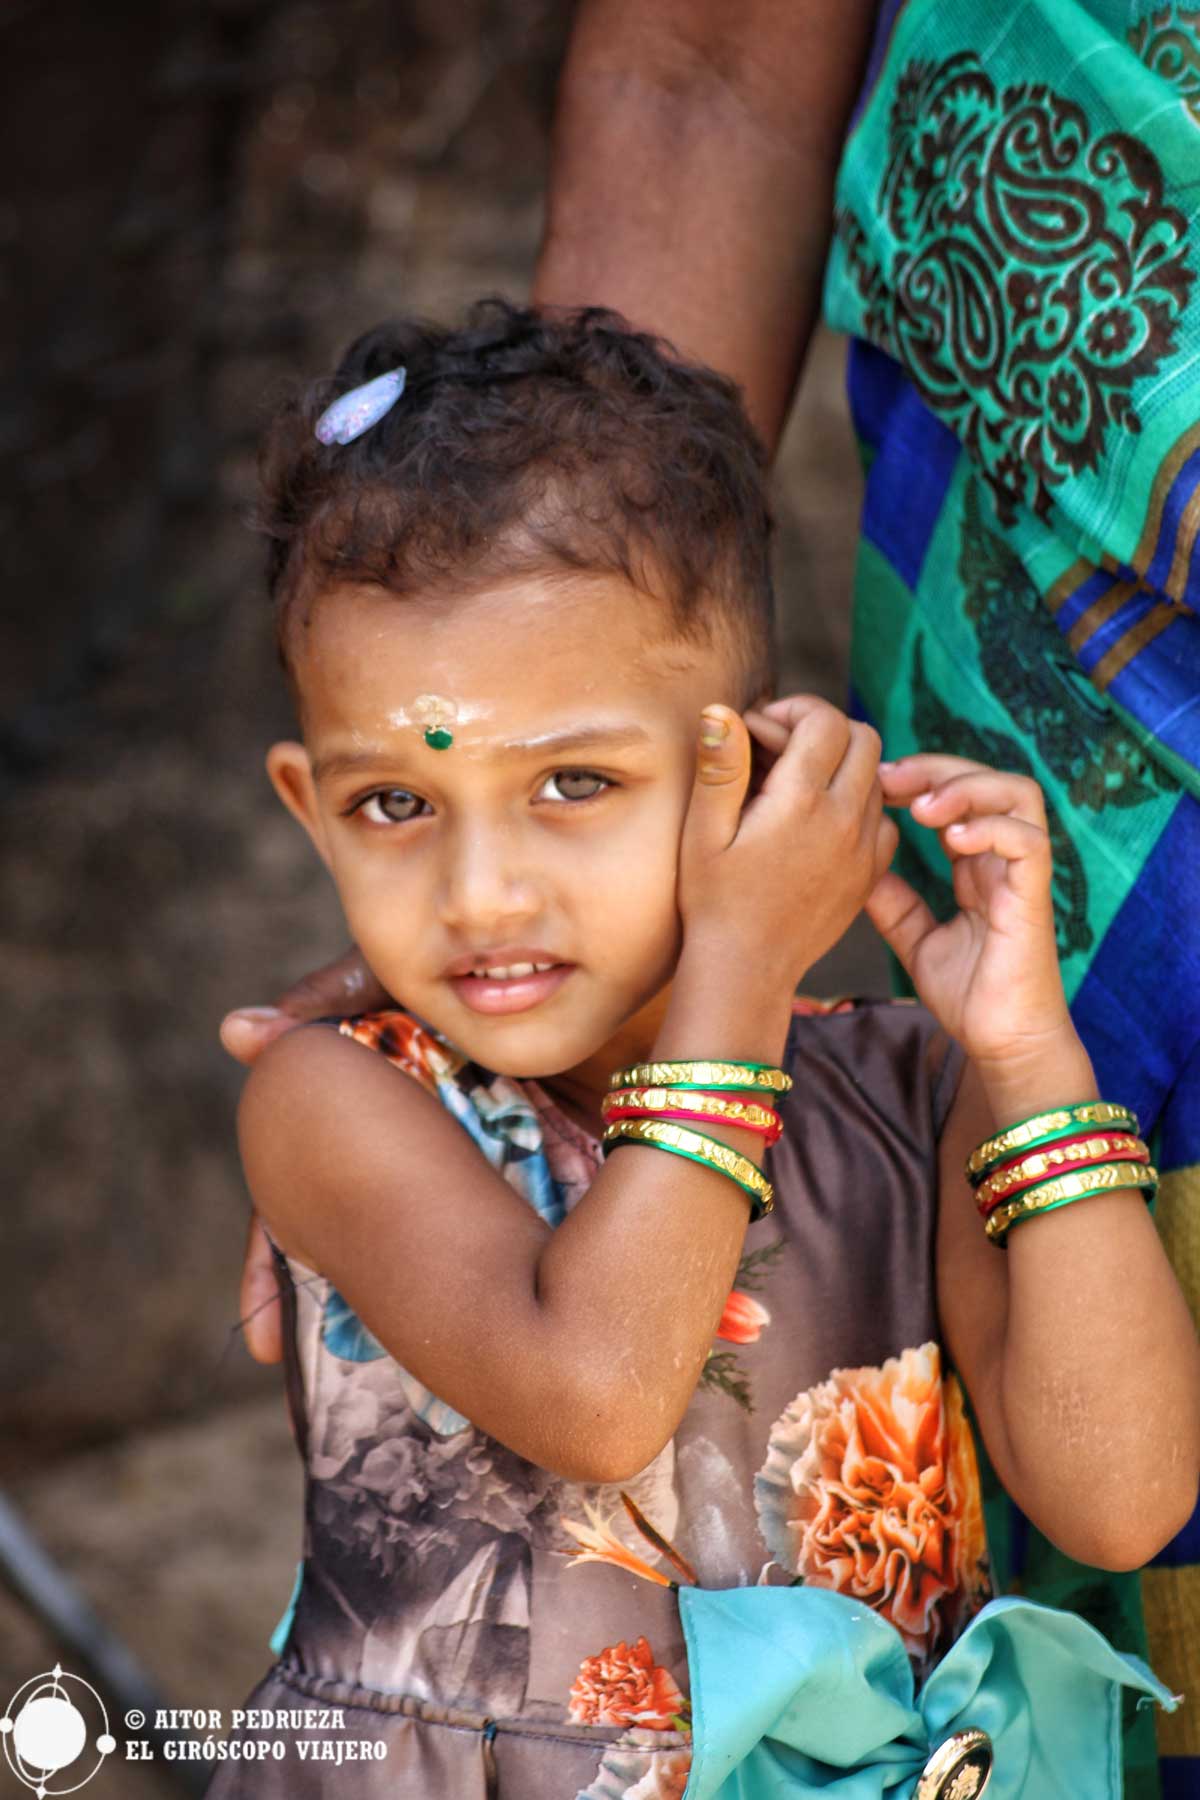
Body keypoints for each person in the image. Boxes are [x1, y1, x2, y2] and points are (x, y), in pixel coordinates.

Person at [209, 297, 1197, 1798]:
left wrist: (1028, 1060)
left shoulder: (907, 1096)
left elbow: (1120, 1501)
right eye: (394, 805)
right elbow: (599, 1397)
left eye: (576, 783)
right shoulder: (335, 1101)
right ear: (305, 803)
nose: (480, 895)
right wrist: (742, 956)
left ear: (753, 765)